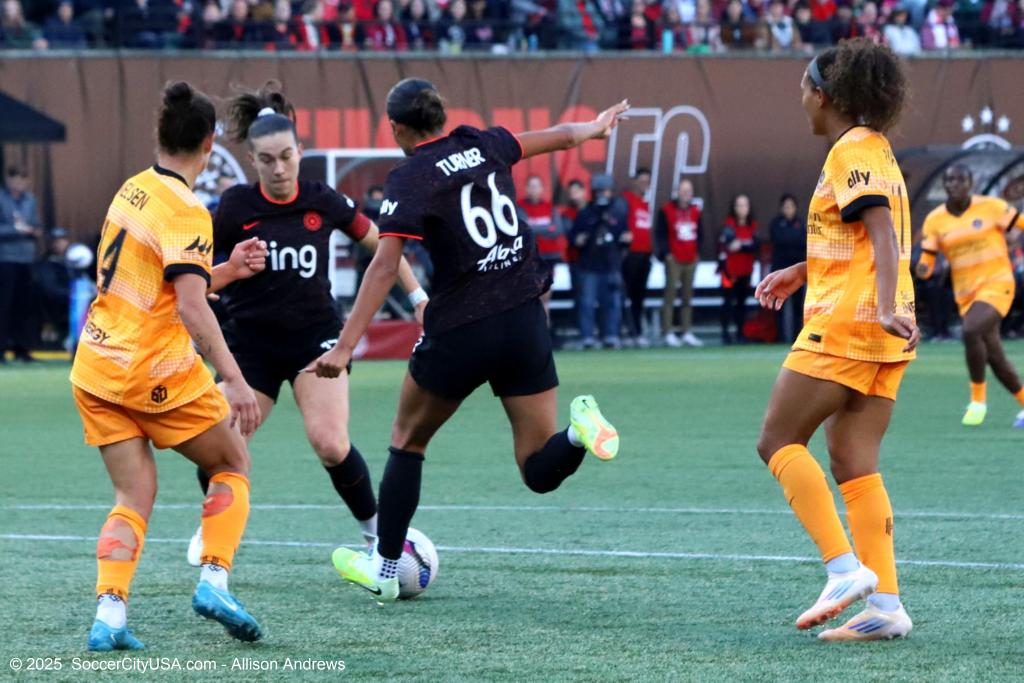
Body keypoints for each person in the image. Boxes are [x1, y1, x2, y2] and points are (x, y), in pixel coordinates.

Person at [309, 78, 625, 602]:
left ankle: (384, 570)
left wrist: (344, 346)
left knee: (408, 441)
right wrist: (596, 127)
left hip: (463, 326)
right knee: (537, 467)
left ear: (397, 128)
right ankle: (577, 432)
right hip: (524, 317)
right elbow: (563, 136)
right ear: (442, 116)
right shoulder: (484, 141)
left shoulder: (411, 175)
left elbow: (385, 265)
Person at [185, 81, 429, 566]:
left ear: (300, 151)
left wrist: (418, 297)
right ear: (252, 161)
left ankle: (377, 534)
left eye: (286, 156)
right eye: (267, 160)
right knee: (219, 444)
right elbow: (196, 272)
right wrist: (224, 272)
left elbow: (383, 243)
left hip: (314, 340)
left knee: (331, 442)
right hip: (249, 346)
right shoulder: (235, 207)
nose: (279, 168)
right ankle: (212, 527)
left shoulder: (322, 199)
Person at [70, 81, 271, 651]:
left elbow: (162, 283)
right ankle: (214, 581)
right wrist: (235, 380)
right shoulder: (188, 210)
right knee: (232, 460)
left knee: (132, 497)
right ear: (209, 144)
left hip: (97, 367)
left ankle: (109, 616)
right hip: (152, 370)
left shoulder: (132, 189)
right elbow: (189, 306)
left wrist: (226, 271)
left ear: (158, 135)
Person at [754, 39, 919, 641]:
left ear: (823, 95)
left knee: (777, 440)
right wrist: (805, 270)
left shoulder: (850, 149)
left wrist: (880, 306)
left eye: (804, 89)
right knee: (854, 461)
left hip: (851, 321)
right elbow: (868, 237)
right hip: (887, 329)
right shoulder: (876, 148)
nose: (800, 99)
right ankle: (887, 606)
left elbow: (880, 230)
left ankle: (844, 569)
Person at [917, 164, 1024, 428]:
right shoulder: (935, 220)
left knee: (970, 330)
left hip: (998, 283)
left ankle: (977, 401)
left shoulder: (991, 207)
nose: (954, 184)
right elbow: (927, 261)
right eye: (949, 180)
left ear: (970, 183)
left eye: (960, 179)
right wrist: (922, 268)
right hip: (966, 294)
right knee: (995, 356)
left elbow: (1021, 223)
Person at [571, 173, 629, 349]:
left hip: (611, 264)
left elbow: (624, 236)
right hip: (589, 265)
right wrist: (580, 238)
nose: (603, 195)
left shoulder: (618, 212)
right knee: (587, 303)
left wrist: (626, 238)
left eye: (606, 191)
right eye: (599, 191)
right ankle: (587, 337)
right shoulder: (586, 213)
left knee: (612, 302)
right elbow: (574, 237)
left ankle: (611, 335)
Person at [0, 164, 42, 363]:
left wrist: (34, 231)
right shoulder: (1, 199)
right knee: (4, 305)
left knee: (24, 306)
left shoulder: (30, 200)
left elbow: (36, 225)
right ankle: (1, 349)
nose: (19, 183)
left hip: (26, 258)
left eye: (22, 179)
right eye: (15, 178)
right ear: (8, 180)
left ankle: (22, 349)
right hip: (5, 259)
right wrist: (17, 230)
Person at [657, 178, 703, 348]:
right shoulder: (666, 210)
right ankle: (667, 332)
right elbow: (660, 234)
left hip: (690, 259)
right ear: (677, 192)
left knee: (687, 297)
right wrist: (667, 254)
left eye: (688, 191)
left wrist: (697, 253)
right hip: (674, 259)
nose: (685, 194)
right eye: (683, 191)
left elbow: (701, 234)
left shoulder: (696, 211)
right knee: (669, 296)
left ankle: (686, 331)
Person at [518, 174, 565, 327]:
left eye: (537, 186)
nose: (534, 189)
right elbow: (524, 228)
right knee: (532, 296)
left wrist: (536, 228)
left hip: (549, 256)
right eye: (531, 186)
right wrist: (546, 228)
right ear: (526, 189)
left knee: (546, 296)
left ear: (542, 189)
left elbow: (557, 229)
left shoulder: (550, 207)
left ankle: (546, 330)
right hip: (529, 257)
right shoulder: (519, 207)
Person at [718, 193, 758, 344]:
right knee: (727, 302)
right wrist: (744, 244)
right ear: (734, 208)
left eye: (744, 205)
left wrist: (741, 245)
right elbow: (728, 244)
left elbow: (755, 245)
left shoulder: (752, 225)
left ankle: (741, 333)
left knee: (742, 303)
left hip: (745, 271)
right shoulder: (728, 225)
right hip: (729, 271)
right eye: (739, 205)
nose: (742, 208)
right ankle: (725, 334)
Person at [621, 168, 653, 346]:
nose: (644, 184)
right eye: (641, 180)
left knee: (639, 296)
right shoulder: (626, 199)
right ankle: (627, 331)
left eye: (647, 181)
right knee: (627, 295)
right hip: (631, 254)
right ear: (634, 181)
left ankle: (637, 331)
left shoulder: (645, 204)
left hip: (644, 255)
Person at [769, 194, 806, 343]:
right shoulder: (776, 224)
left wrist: (791, 239)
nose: (788, 209)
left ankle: (797, 337)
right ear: (781, 208)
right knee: (778, 305)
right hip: (780, 270)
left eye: (791, 206)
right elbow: (778, 239)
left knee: (798, 306)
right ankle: (779, 337)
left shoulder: (801, 223)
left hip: (797, 273)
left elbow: (803, 241)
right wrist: (792, 239)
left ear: (795, 208)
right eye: (786, 207)